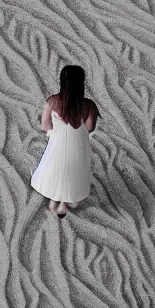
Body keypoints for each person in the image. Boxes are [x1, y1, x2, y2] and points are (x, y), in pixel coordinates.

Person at [31, 65, 101, 218]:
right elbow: (89, 127)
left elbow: (45, 125)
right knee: (75, 171)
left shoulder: (52, 102)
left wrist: (54, 131)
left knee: (54, 168)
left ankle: (53, 198)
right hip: (78, 145)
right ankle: (64, 203)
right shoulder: (89, 106)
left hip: (58, 142)